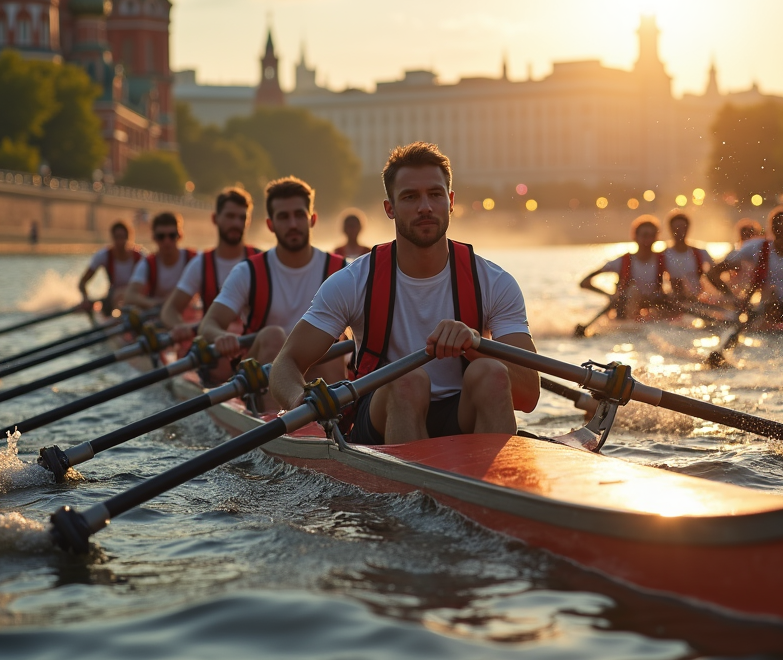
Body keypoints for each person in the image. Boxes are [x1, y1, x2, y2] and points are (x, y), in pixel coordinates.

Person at [269, 142, 539, 444]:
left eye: (435, 195)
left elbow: (529, 394)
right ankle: (411, 486)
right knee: (409, 381)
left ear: (450, 201)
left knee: (491, 372)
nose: (425, 207)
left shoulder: (494, 282)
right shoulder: (351, 282)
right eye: (410, 197)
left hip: (461, 412)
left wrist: (475, 344)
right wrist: (301, 402)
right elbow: (284, 365)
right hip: (383, 414)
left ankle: (496, 484)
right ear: (390, 208)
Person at [197, 176, 347, 408]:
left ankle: (342, 426)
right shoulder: (248, 271)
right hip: (264, 370)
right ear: (271, 225)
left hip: (321, 367)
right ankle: (274, 421)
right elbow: (209, 323)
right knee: (273, 336)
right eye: (283, 217)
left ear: (312, 219)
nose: (293, 224)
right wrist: (220, 337)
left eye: (299, 215)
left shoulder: (342, 270)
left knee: (333, 347)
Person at [161, 187, 261, 342]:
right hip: (217, 347)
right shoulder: (200, 264)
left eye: (242, 218)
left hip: (255, 347)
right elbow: (170, 310)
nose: (236, 223)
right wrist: (181, 327)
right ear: (215, 219)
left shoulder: (262, 261)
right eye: (230, 216)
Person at [579, 215, 668, 320]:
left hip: (653, 308)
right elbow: (584, 283)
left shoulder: (663, 260)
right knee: (633, 291)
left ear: (657, 238)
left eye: (652, 235)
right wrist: (611, 296)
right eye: (644, 235)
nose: (648, 240)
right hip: (625, 309)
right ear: (635, 236)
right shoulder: (621, 262)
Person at [124, 212, 196, 309]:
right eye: (161, 236)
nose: (167, 241)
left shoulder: (194, 259)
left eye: (172, 235)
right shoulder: (147, 264)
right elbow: (129, 296)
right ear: (154, 238)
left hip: (190, 313)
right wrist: (155, 303)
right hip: (158, 313)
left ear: (180, 236)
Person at [78, 220, 141, 310]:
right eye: (117, 237)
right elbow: (82, 282)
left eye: (123, 237)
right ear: (112, 238)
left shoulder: (140, 257)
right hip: (113, 297)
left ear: (129, 238)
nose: (120, 241)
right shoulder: (103, 255)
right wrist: (85, 299)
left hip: (134, 296)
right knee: (116, 296)